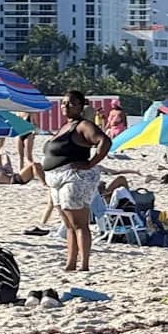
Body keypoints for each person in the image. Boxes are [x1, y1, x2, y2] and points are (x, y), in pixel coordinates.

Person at [44, 89, 110, 271]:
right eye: (64, 103)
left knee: (79, 223)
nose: (66, 106)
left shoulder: (83, 125)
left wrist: (91, 163)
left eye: (71, 103)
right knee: (68, 225)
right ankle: (71, 262)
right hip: (56, 178)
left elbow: (104, 141)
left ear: (81, 106)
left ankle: (84, 264)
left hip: (74, 177)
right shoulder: (65, 126)